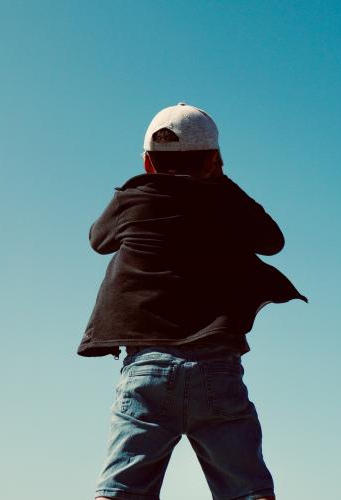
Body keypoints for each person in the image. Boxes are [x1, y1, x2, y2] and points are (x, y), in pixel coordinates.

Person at [80, 102, 306, 500]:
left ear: (148, 163)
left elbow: (98, 240)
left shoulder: (132, 200)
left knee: (120, 492)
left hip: (146, 370)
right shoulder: (225, 202)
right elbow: (273, 241)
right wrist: (221, 183)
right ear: (214, 162)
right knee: (248, 491)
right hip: (217, 369)